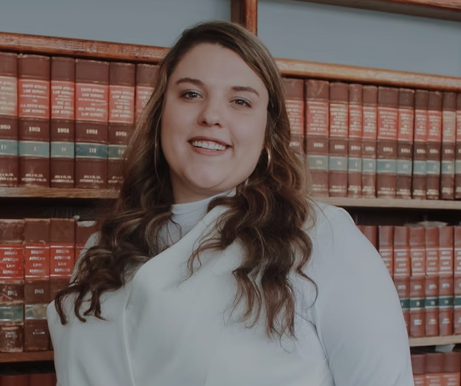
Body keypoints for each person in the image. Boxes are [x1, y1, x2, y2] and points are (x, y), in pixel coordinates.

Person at [47, 21, 414, 386]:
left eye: (240, 101)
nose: (211, 115)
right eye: (191, 94)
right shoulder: (102, 248)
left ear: (267, 133)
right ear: (161, 114)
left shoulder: (322, 239)